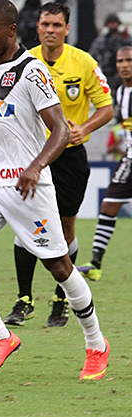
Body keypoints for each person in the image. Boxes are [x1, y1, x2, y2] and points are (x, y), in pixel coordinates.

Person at [0, 0, 110, 380]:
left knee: (60, 266)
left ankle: (96, 343)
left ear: (12, 31)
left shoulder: (32, 72)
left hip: (26, 183)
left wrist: (35, 166)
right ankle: (1, 336)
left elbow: (61, 130)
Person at [4, 2, 113, 328]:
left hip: (70, 158)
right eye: (45, 24)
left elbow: (105, 107)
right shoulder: (24, 61)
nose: (50, 30)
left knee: (65, 227)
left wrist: (86, 127)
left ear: (67, 29)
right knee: (26, 224)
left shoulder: (84, 62)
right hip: (31, 156)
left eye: (57, 25)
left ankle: (60, 297)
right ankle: (24, 298)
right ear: (37, 28)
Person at [79, 45, 132, 280]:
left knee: (109, 204)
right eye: (121, 61)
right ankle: (95, 264)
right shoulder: (120, 92)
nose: (124, 65)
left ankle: (95, 263)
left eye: (129, 61)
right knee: (109, 205)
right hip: (129, 157)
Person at [89, 13, 132, 93]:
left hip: (124, 72)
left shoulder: (126, 38)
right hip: (108, 72)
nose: (112, 25)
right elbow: (92, 56)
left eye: (114, 22)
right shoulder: (102, 40)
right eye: (110, 23)